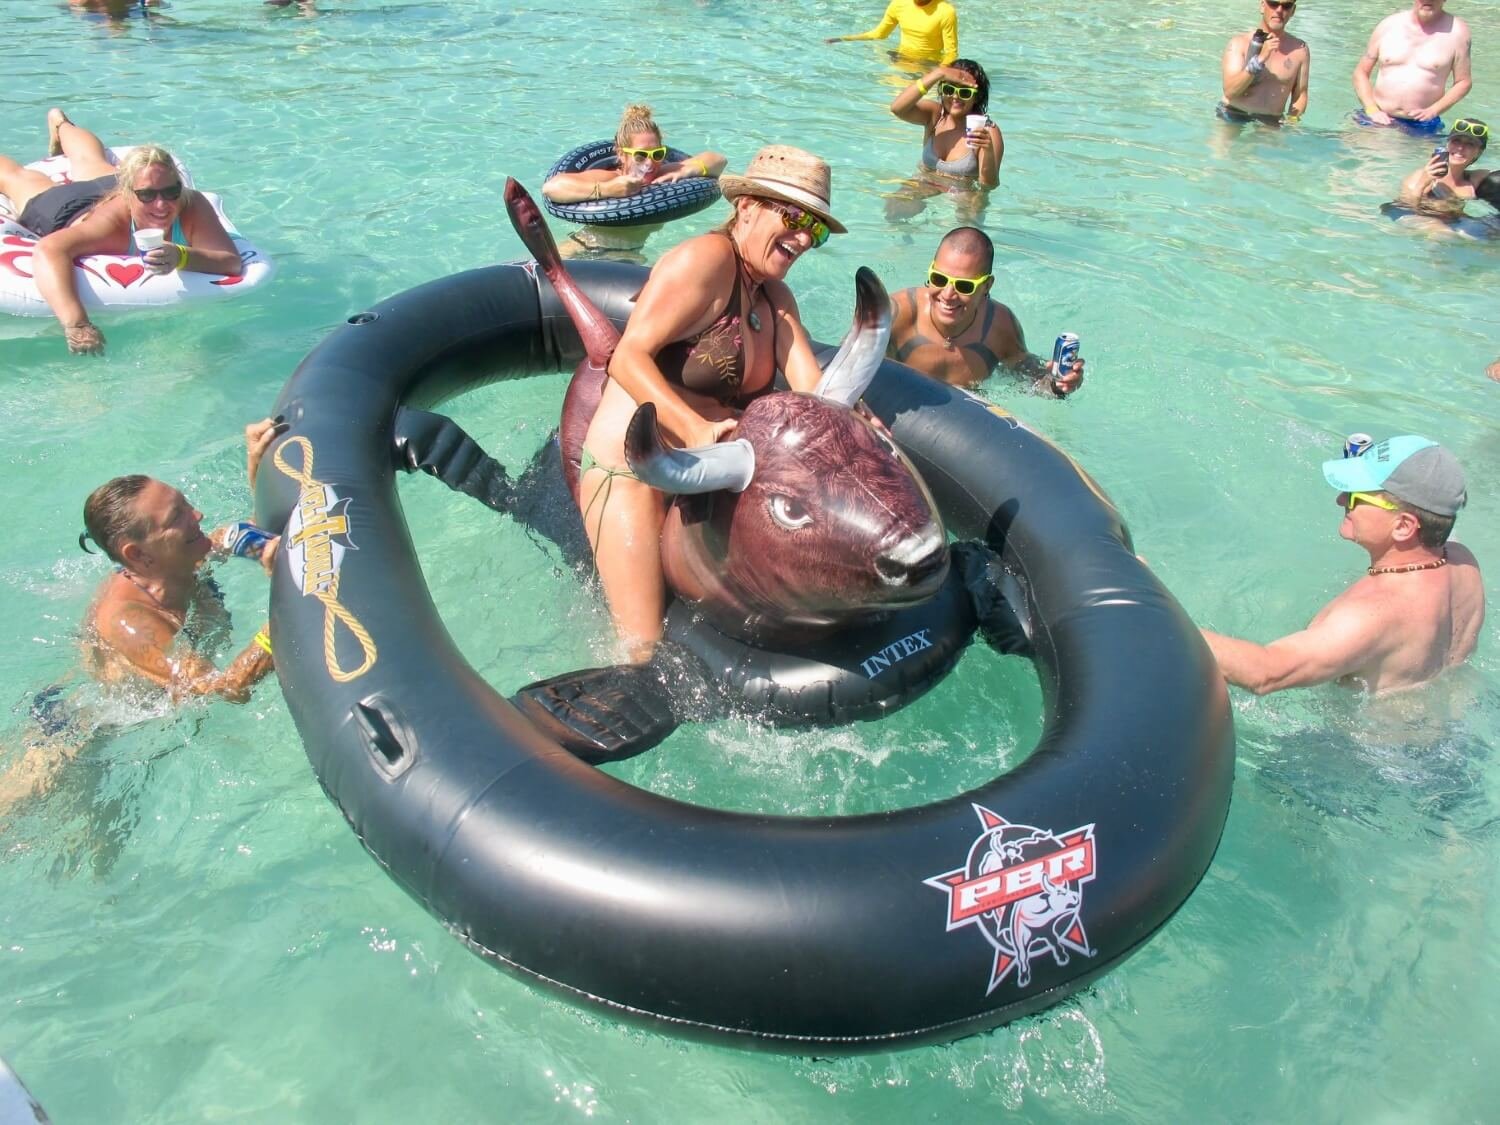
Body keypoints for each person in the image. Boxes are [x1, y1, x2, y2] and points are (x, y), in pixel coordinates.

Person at [578, 146, 845, 661]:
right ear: (747, 206)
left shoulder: (775, 298)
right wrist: (693, 426)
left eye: (816, 228)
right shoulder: (707, 260)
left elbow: (814, 388)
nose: (804, 237)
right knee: (644, 647)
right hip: (634, 467)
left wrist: (857, 423)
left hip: (706, 478)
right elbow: (627, 357)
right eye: (792, 216)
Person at [0, 420, 284, 816]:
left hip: (110, 722)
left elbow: (254, 533)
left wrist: (257, 462)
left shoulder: (181, 557)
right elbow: (225, 688)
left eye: (187, 505)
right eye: (178, 516)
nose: (198, 515)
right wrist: (284, 612)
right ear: (137, 554)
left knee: (101, 856)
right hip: (75, 730)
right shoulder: (129, 622)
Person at [1201, 436, 1484, 695]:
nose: (1340, 500)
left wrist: (1158, 614)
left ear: (1403, 525)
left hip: (1366, 747)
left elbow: (1265, 673)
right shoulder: (1462, 562)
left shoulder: (1371, 615)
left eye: (1355, 497)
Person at [0, 108, 244, 354]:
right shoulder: (110, 228)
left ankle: (60, 123)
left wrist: (181, 256)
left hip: (108, 185)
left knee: (90, 160)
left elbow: (231, 263)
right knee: (17, 178)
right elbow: (49, 249)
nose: (161, 205)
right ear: (130, 194)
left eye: (171, 191)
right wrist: (77, 324)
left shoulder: (190, 204)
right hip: (66, 208)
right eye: (148, 195)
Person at [887, 226, 1084, 395]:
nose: (947, 294)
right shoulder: (897, 314)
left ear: (987, 285)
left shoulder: (999, 327)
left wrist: (1059, 384)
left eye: (964, 286)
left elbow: (1030, 380)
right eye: (939, 279)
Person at [541, 104, 726, 260]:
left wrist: (687, 169)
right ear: (622, 154)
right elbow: (552, 187)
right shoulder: (612, 178)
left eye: (657, 154)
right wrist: (607, 190)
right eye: (640, 155)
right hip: (587, 248)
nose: (649, 163)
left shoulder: (662, 174)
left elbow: (718, 160)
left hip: (632, 254)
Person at [885, 59, 1002, 222]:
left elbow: (988, 186)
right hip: (927, 180)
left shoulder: (986, 130)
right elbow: (897, 108)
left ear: (977, 97)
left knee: (968, 224)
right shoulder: (934, 115)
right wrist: (937, 74)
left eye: (965, 92)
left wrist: (987, 150)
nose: (955, 96)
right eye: (949, 89)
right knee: (893, 208)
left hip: (963, 190)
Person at [1353, 0, 1472, 133]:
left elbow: (1463, 82)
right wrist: (1372, 109)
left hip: (1422, 124)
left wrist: (1434, 110)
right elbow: (1361, 72)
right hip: (1376, 116)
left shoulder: (1457, 32)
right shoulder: (1389, 25)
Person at [1218, 0, 1310, 126]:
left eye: (1286, 6)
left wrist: (1292, 122)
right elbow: (1230, 91)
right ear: (1262, 6)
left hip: (1271, 120)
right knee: (1222, 145)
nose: (1279, 10)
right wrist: (1259, 60)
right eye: (1273, 3)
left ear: (1293, 11)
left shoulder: (1300, 50)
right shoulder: (1239, 43)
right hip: (1233, 113)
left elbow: (1300, 94)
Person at [1393, 118, 1491, 218]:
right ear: (1447, 144)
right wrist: (1421, 184)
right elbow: (1402, 213)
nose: (1460, 148)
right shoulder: (1420, 178)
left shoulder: (1475, 180)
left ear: (1479, 152)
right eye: (1456, 141)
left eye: (1470, 144)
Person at [826, 0, 959, 65]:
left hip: (928, 66)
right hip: (900, 60)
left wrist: (940, 73)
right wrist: (841, 39)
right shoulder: (899, 4)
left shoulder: (945, 11)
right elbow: (879, 34)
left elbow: (951, 52)